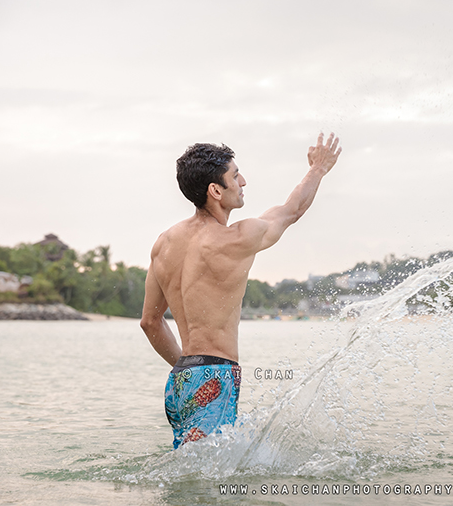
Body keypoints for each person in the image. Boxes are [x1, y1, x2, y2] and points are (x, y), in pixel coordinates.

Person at [140, 132, 342, 448]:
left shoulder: (164, 243)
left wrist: (188, 370)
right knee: (207, 486)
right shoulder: (236, 239)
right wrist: (317, 169)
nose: (243, 181)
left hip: (178, 381)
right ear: (216, 190)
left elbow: (150, 322)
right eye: (235, 175)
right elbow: (291, 211)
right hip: (215, 375)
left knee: (194, 473)